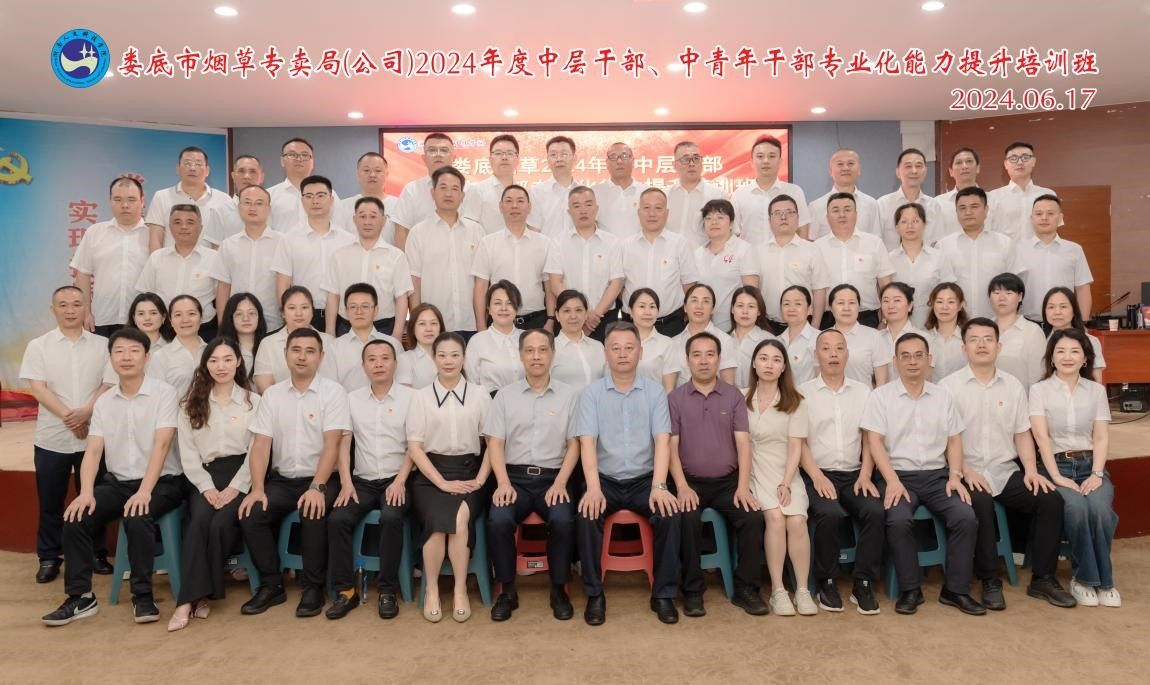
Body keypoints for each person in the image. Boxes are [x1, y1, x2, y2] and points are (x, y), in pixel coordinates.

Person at [41, 328, 185, 626]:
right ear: (110, 359)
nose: (126, 357)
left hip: (163, 483)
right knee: (76, 517)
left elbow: (162, 445)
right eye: (119, 351)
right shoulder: (105, 402)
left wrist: (145, 491)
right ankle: (81, 597)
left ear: (147, 357)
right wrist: (86, 493)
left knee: (137, 514)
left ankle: (142, 596)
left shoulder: (164, 393)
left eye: (134, 351)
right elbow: (93, 451)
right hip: (119, 483)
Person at [940, 318, 1077, 610]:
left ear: (998, 346)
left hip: (1004, 470)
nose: (981, 345)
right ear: (964, 348)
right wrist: (964, 470)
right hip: (965, 471)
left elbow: (1021, 433)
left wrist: (1031, 470)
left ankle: (1043, 578)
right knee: (980, 501)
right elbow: (944, 439)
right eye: (974, 339)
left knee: (1050, 500)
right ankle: (990, 579)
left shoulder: (1013, 386)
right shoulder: (948, 387)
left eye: (988, 339)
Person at [861, 333, 984, 616]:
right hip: (898, 476)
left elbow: (954, 439)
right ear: (895, 361)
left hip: (938, 476)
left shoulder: (943, 396)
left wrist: (955, 476)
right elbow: (874, 441)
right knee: (898, 519)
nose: (912, 362)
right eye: (905, 356)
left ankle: (956, 590)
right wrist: (892, 481)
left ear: (929, 359)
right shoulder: (881, 397)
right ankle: (910, 589)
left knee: (965, 517)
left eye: (919, 355)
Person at [575, 321, 682, 625]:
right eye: (615, 348)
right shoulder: (592, 394)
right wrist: (593, 488)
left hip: (644, 480)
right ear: (605, 354)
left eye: (629, 348)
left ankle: (663, 594)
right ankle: (595, 594)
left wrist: (659, 486)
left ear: (640, 352)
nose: (622, 354)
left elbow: (662, 440)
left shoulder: (655, 392)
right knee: (586, 513)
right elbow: (587, 442)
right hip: (605, 480)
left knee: (670, 514)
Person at [238, 328, 348, 618]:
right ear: (285, 354)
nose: (302, 357)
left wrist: (317, 486)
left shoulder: (333, 392)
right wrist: (257, 488)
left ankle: (313, 587)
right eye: (296, 350)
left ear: (321, 356)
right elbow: (261, 445)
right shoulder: (272, 396)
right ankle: (272, 585)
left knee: (313, 510)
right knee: (252, 513)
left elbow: (332, 444)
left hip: (322, 478)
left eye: (310, 351)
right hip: (283, 480)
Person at [669, 332, 768, 617]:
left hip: (728, 483)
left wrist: (742, 487)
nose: (703, 361)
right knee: (686, 517)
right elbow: (670, 448)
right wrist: (682, 487)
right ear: (687, 360)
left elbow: (743, 444)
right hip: (690, 482)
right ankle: (692, 590)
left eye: (710, 354)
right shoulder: (675, 398)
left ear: (719, 359)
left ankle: (746, 589)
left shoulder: (733, 396)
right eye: (697, 355)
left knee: (752, 517)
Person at [486, 329, 580, 621]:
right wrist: (502, 483)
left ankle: (558, 589)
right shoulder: (505, 396)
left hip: (554, 477)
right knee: (499, 519)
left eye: (542, 350)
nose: (536, 356)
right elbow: (494, 443)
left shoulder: (569, 396)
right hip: (514, 479)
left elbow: (574, 444)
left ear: (553, 354)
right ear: (521, 355)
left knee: (563, 520)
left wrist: (561, 482)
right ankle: (507, 590)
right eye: (529, 350)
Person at [21, 286, 112, 584]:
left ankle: (96, 552)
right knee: (51, 501)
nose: (70, 310)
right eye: (63, 305)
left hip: (93, 436)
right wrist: (70, 417)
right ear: (53, 310)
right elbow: (38, 389)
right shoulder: (38, 346)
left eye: (76, 304)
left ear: (86, 307)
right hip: (52, 438)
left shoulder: (103, 345)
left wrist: (86, 412)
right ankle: (49, 557)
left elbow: (108, 383)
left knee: (94, 498)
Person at [168, 338, 259, 631]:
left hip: (243, 474)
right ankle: (188, 601)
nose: (221, 366)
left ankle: (198, 596)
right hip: (203, 476)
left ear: (238, 362)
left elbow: (257, 451)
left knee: (220, 524)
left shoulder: (253, 402)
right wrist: (207, 487)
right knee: (198, 522)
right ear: (205, 365)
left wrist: (236, 487)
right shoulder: (190, 404)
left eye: (227, 359)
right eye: (214, 360)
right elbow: (188, 454)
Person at [406, 332, 493, 623]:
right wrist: (441, 482)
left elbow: (493, 443)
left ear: (464, 358)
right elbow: (414, 447)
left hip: (470, 474)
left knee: (457, 519)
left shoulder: (480, 394)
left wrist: (480, 480)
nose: (448, 361)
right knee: (435, 519)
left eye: (455, 355)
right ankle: (431, 589)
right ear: (434, 358)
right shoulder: (420, 397)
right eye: (442, 355)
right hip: (430, 477)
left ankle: (459, 589)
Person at [1029, 328, 1120, 608]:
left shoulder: (1096, 391)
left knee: (1101, 510)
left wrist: (1096, 474)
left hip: (1091, 465)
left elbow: (1101, 437)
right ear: (1051, 358)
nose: (1067, 357)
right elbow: (1041, 437)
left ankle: (1100, 581)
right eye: (1060, 351)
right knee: (1077, 509)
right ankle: (1088, 580)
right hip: (1055, 465)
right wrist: (1056, 476)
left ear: (1085, 358)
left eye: (1074, 351)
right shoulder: (1039, 390)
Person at [325, 338, 415, 620]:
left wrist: (400, 481)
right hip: (362, 482)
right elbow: (343, 443)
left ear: (395, 363)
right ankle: (345, 591)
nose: (378, 364)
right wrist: (346, 482)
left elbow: (415, 446)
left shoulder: (411, 398)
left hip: (399, 479)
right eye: (372, 359)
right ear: (363, 366)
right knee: (338, 519)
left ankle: (387, 590)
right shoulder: (351, 399)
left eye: (385, 358)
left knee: (391, 517)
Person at [798, 329, 884, 615]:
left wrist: (866, 474)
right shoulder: (803, 392)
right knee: (829, 513)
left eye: (839, 348)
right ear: (816, 355)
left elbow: (870, 439)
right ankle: (827, 580)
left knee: (875, 511)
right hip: (817, 473)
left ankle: (863, 582)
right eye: (826, 348)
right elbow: (799, 442)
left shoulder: (863, 391)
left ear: (847, 354)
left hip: (854, 474)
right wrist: (817, 476)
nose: (833, 354)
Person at [745, 339, 815, 616]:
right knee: (774, 517)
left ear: (784, 367)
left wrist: (786, 482)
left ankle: (803, 589)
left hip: (785, 470)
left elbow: (796, 447)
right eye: (763, 358)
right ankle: (778, 590)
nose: (769, 365)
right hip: (752, 471)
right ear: (754, 363)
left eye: (776, 360)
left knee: (796, 520)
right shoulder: (740, 398)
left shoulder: (795, 401)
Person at [405, 166, 487, 338]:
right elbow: (414, 282)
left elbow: (482, 281)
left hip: (472, 323)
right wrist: (417, 323)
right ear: (432, 193)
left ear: (462, 196)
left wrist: (482, 324)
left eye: (455, 189)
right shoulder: (418, 233)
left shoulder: (477, 231)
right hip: (433, 327)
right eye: (443, 187)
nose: (449, 193)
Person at [271, 175, 356, 333]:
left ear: (331, 199)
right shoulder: (289, 239)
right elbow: (283, 283)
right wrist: (288, 317)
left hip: (343, 317)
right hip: (303, 315)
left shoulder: (348, 240)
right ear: (302, 201)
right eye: (309, 196)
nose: (315, 201)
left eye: (321, 195)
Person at [322, 196, 412, 339]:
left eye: (373, 216)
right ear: (354, 219)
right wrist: (330, 333)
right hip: (346, 327)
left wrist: (397, 335)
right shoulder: (340, 255)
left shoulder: (396, 256)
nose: (367, 222)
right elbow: (333, 296)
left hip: (384, 328)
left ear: (384, 220)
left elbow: (401, 298)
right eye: (362, 216)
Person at [70, 176, 150, 337]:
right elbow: (83, 274)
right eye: (118, 199)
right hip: (102, 320)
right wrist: (86, 312)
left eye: (131, 199)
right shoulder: (95, 232)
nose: (125, 205)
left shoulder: (154, 235)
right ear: (110, 201)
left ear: (142, 201)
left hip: (145, 321)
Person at [544, 185, 625, 341]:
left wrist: (595, 315)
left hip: (604, 319)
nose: (583, 211)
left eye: (588, 204)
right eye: (576, 206)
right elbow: (555, 283)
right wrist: (582, 313)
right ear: (569, 212)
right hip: (570, 319)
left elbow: (616, 283)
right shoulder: (558, 242)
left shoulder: (612, 242)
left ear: (596, 209)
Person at [473, 185, 555, 332]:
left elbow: (549, 287)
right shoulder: (487, 243)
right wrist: (481, 325)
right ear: (501, 206)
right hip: (498, 321)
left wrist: (550, 319)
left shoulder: (544, 243)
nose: (514, 206)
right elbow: (480, 287)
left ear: (529, 207)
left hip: (536, 321)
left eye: (520, 201)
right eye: (509, 201)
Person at [936, 187, 1025, 319]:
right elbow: (938, 287)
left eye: (974, 206)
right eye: (962, 208)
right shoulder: (943, 246)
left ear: (986, 210)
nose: (968, 212)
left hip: (997, 322)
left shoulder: (1005, 243)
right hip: (956, 322)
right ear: (956, 212)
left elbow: (1015, 285)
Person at [620, 188, 699, 337]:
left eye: (658, 208)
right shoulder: (625, 246)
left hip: (670, 325)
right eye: (646, 208)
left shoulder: (680, 244)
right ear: (639, 212)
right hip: (631, 326)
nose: (652, 213)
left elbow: (689, 286)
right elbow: (619, 287)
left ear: (667, 213)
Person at [136, 204, 221, 339]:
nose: (184, 227)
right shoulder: (157, 257)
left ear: (200, 227)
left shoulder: (214, 258)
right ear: (170, 227)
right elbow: (146, 295)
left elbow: (222, 296)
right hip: (164, 330)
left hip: (204, 330)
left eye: (190, 222)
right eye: (177, 222)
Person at [813, 193, 894, 328]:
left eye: (847, 209)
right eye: (836, 210)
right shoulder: (817, 247)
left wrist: (885, 320)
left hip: (867, 318)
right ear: (827, 217)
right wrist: (815, 327)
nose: (842, 215)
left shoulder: (874, 243)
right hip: (828, 320)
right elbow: (816, 289)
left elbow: (886, 286)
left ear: (856, 214)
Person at [212, 184, 286, 331]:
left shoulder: (283, 243)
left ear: (269, 209)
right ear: (239, 208)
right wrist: (222, 326)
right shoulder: (228, 245)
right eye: (247, 202)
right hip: (237, 325)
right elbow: (223, 287)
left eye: (259, 203)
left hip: (274, 324)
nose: (252, 208)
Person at [751, 194, 830, 329]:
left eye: (789, 212)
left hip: (805, 325)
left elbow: (819, 290)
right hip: (768, 325)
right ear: (769, 220)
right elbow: (753, 291)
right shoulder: (758, 251)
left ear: (798, 218)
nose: (783, 217)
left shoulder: (812, 250)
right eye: (777, 213)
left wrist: (814, 327)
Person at [1017, 194, 1093, 322]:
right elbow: (1011, 290)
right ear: (1031, 219)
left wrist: (1082, 324)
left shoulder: (1074, 249)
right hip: (1028, 323)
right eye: (1039, 214)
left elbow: (1082, 288)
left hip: (1065, 324)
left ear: (1060, 218)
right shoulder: (1018, 250)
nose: (1044, 218)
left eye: (1050, 213)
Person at [144, 146, 231, 252]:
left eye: (198, 164)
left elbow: (228, 240)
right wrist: (156, 261)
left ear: (207, 170)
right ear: (178, 169)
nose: (192, 168)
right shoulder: (161, 197)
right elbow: (155, 238)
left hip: (210, 262)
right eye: (187, 163)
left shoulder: (224, 199)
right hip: (170, 261)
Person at [252, 287, 338, 393]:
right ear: (283, 313)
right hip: (280, 402)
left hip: (323, 402)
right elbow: (264, 386)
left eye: (304, 307)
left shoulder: (330, 342)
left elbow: (336, 383)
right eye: (292, 308)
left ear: (312, 311)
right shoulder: (268, 344)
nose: (299, 313)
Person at [732, 135, 811, 244]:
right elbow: (732, 233)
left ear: (780, 161)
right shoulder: (739, 195)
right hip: (751, 254)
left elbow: (802, 228)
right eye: (760, 156)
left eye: (771, 156)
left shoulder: (794, 192)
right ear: (752, 162)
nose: (766, 161)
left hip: (786, 254)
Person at [888, 203, 956, 329]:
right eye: (904, 222)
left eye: (915, 221)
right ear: (897, 227)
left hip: (933, 326)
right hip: (898, 327)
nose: (910, 226)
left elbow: (950, 292)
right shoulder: (888, 259)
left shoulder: (939, 257)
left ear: (924, 224)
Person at [694, 199, 757, 331]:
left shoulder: (744, 249)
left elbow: (751, 292)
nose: (714, 222)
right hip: (702, 327)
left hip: (734, 327)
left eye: (720, 217)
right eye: (708, 218)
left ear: (731, 223)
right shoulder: (697, 253)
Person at [663, 283, 738, 391]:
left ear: (712, 309)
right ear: (685, 307)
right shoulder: (673, 343)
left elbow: (729, 386)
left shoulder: (725, 340)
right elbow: (670, 388)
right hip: (682, 400)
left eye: (706, 301)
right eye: (694, 300)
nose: (699, 306)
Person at [393, 133, 462, 250]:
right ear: (424, 158)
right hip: (420, 258)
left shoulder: (468, 189)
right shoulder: (411, 190)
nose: (438, 155)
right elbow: (401, 231)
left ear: (453, 157)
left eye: (444, 150)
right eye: (432, 150)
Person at [331, 283, 403, 392]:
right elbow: (330, 388)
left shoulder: (393, 344)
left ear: (376, 310)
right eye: (353, 307)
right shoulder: (334, 347)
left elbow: (401, 385)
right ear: (346, 312)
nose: (359, 312)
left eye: (365, 306)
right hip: (346, 402)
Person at [988, 142, 1059, 243]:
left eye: (1025, 157)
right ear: (1006, 164)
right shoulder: (992, 196)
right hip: (1005, 252)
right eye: (1013, 158)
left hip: (1040, 252)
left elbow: (1053, 230)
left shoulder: (1048, 195)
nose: (1020, 162)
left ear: (1033, 161)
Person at [268, 138, 341, 234]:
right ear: (282, 161)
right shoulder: (269, 195)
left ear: (312, 162)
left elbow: (339, 227)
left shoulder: (329, 194)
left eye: (305, 155)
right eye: (292, 154)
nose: (299, 159)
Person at [876, 149, 945, 250]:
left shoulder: (934, 205)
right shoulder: (883, 204)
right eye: (908, 166)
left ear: (925, 171)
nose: (914, 171)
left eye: (919, 166)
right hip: (891, 260)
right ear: (898, 172)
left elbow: (939, 242)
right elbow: (876, 242)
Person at [465, 280, 526, 394]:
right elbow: (471, 385)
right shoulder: (477, 342)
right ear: (488, 308)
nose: (504, 308)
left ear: (517, 308)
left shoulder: (528, 338)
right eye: (497, 303)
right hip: (490, 403)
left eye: (509, 303)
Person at [808, 149, 883, 240]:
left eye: (850, 163)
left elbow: (876, 239)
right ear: (830, 170)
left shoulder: (871, 204)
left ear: (859, 169)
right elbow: (812, 242)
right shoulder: (816, 206)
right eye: (840, 164)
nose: (846, 168)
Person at [989, 272, 1047, 390]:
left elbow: (1038, 377)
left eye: (1009, 293)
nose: (1001, 298)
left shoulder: (1032, 331)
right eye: (996, 293)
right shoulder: (982, 329)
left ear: (1020, 296)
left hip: (1020, 399)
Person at [664, 140, 727, 245]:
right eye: (685, 159)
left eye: (696, 159)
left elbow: (726, 233)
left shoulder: (717, 195)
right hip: (670, 254)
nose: (692, 164)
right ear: (674, 165)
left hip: (704, 254)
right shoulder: (664, 195)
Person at [827, 284, 890, 388]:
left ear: (859, 307)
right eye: (840, 303)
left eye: (852, 303)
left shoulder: (874, 336)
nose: (846, 308)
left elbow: (882, 383)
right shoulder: (821, 337)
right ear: (831, 308)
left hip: (865, 398)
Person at [146, 295, 207, 399]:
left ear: (201, 318)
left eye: (191, 313)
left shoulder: (213, 351)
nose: (185, 320)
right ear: (170, 320)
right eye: (178, 315)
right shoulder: (160, 356)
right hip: (174, 409)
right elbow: (155, 396)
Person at [1041, 286, 1106, 383]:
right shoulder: (1040, 341)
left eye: (1063, 306)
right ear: (1044, 312)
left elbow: (1096, 382)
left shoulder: (1091, 341)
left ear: (1074, 311)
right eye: (1051, 307)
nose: (1057, 312)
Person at [332, 152, 399, 244]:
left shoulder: (399, 205)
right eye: (366, 170)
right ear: (358, 174)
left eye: (378, 170)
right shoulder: (343, 206)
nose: (372, 175)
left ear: (387, 174)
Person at [461, 134, 520, 235]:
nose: (504, 157)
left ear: (517, 158)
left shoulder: (526, 193)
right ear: (490, 159)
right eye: (498, 153)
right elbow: (469, 228)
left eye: (510, 153)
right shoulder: (476, 190)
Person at [203, 154, 265, 248]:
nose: (246, 176)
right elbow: (215, 250)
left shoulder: (273, 209)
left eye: (252, 171)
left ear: (262, 177)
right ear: (233, 176)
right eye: (241, 171)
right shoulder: (220, 212)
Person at [551, 289, 607, 391]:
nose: (573, 316)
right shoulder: (549, 348)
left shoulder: (598, 346)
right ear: (557, 315)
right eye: (567, 311)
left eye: (579, 310)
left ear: (586, 314)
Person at [592, 142, 648, 238]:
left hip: (639, 247)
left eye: (624, 156)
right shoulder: (594, 192)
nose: (619, 161)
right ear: (607, 163)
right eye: (613, 157)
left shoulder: (646, 192)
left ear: (633, 161)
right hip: (605, 247)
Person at [529, 136, 579, 238]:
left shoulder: (586, 193)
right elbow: (534, 232)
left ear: (574, 158)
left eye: (564, 154)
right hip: (547, 248)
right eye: (553, 155)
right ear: (547, 160)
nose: (559, 159)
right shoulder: (536, 193)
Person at [728, 286, 776, 388]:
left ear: (759, 311)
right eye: (740, 305)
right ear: (732, 309)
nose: (745, 311)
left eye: (751, 306)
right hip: (728, 397)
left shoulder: (769, 341)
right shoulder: (723, 340)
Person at [878, 282, 925, 381]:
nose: (891, 305)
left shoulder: (923, 338)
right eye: (886, 301)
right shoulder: (875, 337)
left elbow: (927, 379)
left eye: (897, 300)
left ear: (910, 306)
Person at [923, 282, 969, 382]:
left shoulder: (969, 338)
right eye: (939, 302)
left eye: (951, 302)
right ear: (932, 305)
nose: (944, 307)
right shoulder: (923, 338)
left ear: (960, 305)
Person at [628, 288, 676, 383]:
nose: (647, 312)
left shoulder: (668, 344)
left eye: (652, 307)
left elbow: (669, 388)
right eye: (642, 306)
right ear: (630, 311)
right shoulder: (618, 341)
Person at [935, 147, 982, 241]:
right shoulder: (937, 203)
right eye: (959, 163)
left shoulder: (992, 201)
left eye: (969, 161)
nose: (964, 166)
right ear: (951, 172)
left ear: (978, 168)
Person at [777, 285, 821, 386]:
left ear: (809, 309)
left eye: (798, 304)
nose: (791, 309)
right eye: (786, 304)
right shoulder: (776, 341)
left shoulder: (819, 339)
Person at [217, 292, 268, 377]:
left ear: (259, 317)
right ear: (230, 318)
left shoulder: (269, 346)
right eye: (239, 314)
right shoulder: (220, 349)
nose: (246, 318)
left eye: (251, 313)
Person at [396, 303, 443, 390]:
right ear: (412, 329)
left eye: (433, 323)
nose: (428, 329)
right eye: (422, 324)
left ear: (440, 328)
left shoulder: (450, 356)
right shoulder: (404, 359)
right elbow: (405, 395)